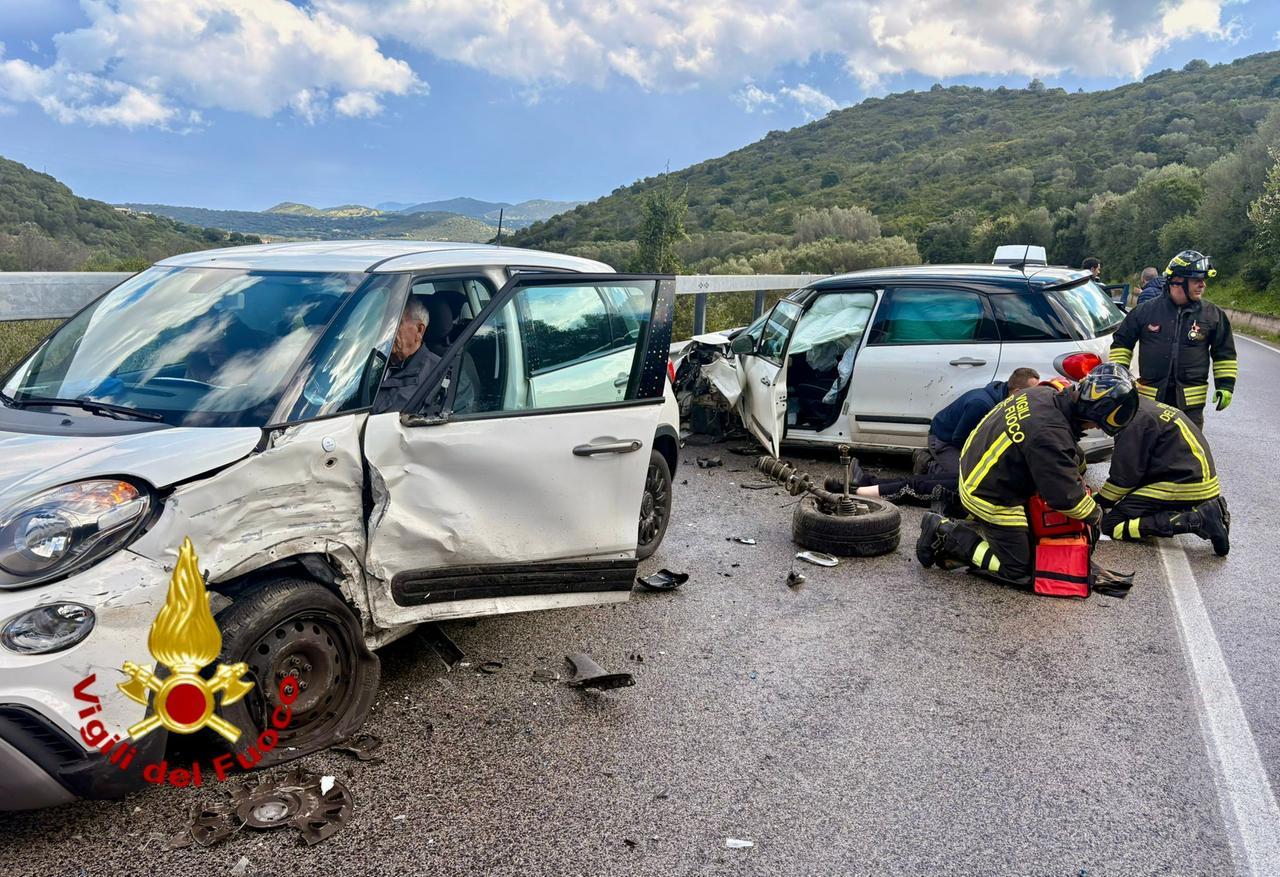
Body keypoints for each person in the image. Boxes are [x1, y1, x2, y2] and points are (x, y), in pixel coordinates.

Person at [915, 364, 1139, 588]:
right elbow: (1065, 498)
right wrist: (1095, 514)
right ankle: (944, 533)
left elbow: (1064, 453)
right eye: (1097, 423)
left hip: (977, 466)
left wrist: (1075, 467)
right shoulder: (1050, 435)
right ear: (1097, 411)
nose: (1093, 428)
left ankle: (965, 512)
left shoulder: (1044, 394)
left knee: (1030, 538)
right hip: (991, 496)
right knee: (1018, 570)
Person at [839, 368, 1041, 504]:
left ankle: (866, 482)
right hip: (943, 441)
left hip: (957, 441)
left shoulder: (1002, 399)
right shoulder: (982, 404)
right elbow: (959, 440)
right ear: (1017, 391)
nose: (1034, 398)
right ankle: (929, 463)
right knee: (963, 479)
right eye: (1031, 393)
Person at [1108, 249, 1237, 429]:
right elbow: (1122, 343)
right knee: (1144, 451)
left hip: (1190, 408)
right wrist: (1118, 376)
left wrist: (1225, 386)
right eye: (1197, 280)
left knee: (1186, 455)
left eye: (1203, 280)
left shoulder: (1213, 315)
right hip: (1149, 403)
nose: (1203, 285)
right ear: (1177, 281)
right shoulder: (1145, 311)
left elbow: (1224, 354)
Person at [1097, 397, 1229, 555]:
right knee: (1133, 507)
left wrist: (1099, 501)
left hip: (1182, 482)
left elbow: (1123, 479)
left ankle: (1197, 520)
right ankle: (1206, 512)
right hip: (1195, 478)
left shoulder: (1132, 424)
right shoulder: (1142, 407)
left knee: (1112, 525)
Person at [372, 297, 439, 415]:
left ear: (419, 330)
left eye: (396, 323)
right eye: (385, 323)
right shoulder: (374, 361)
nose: (387, 331)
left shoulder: (438, 374)